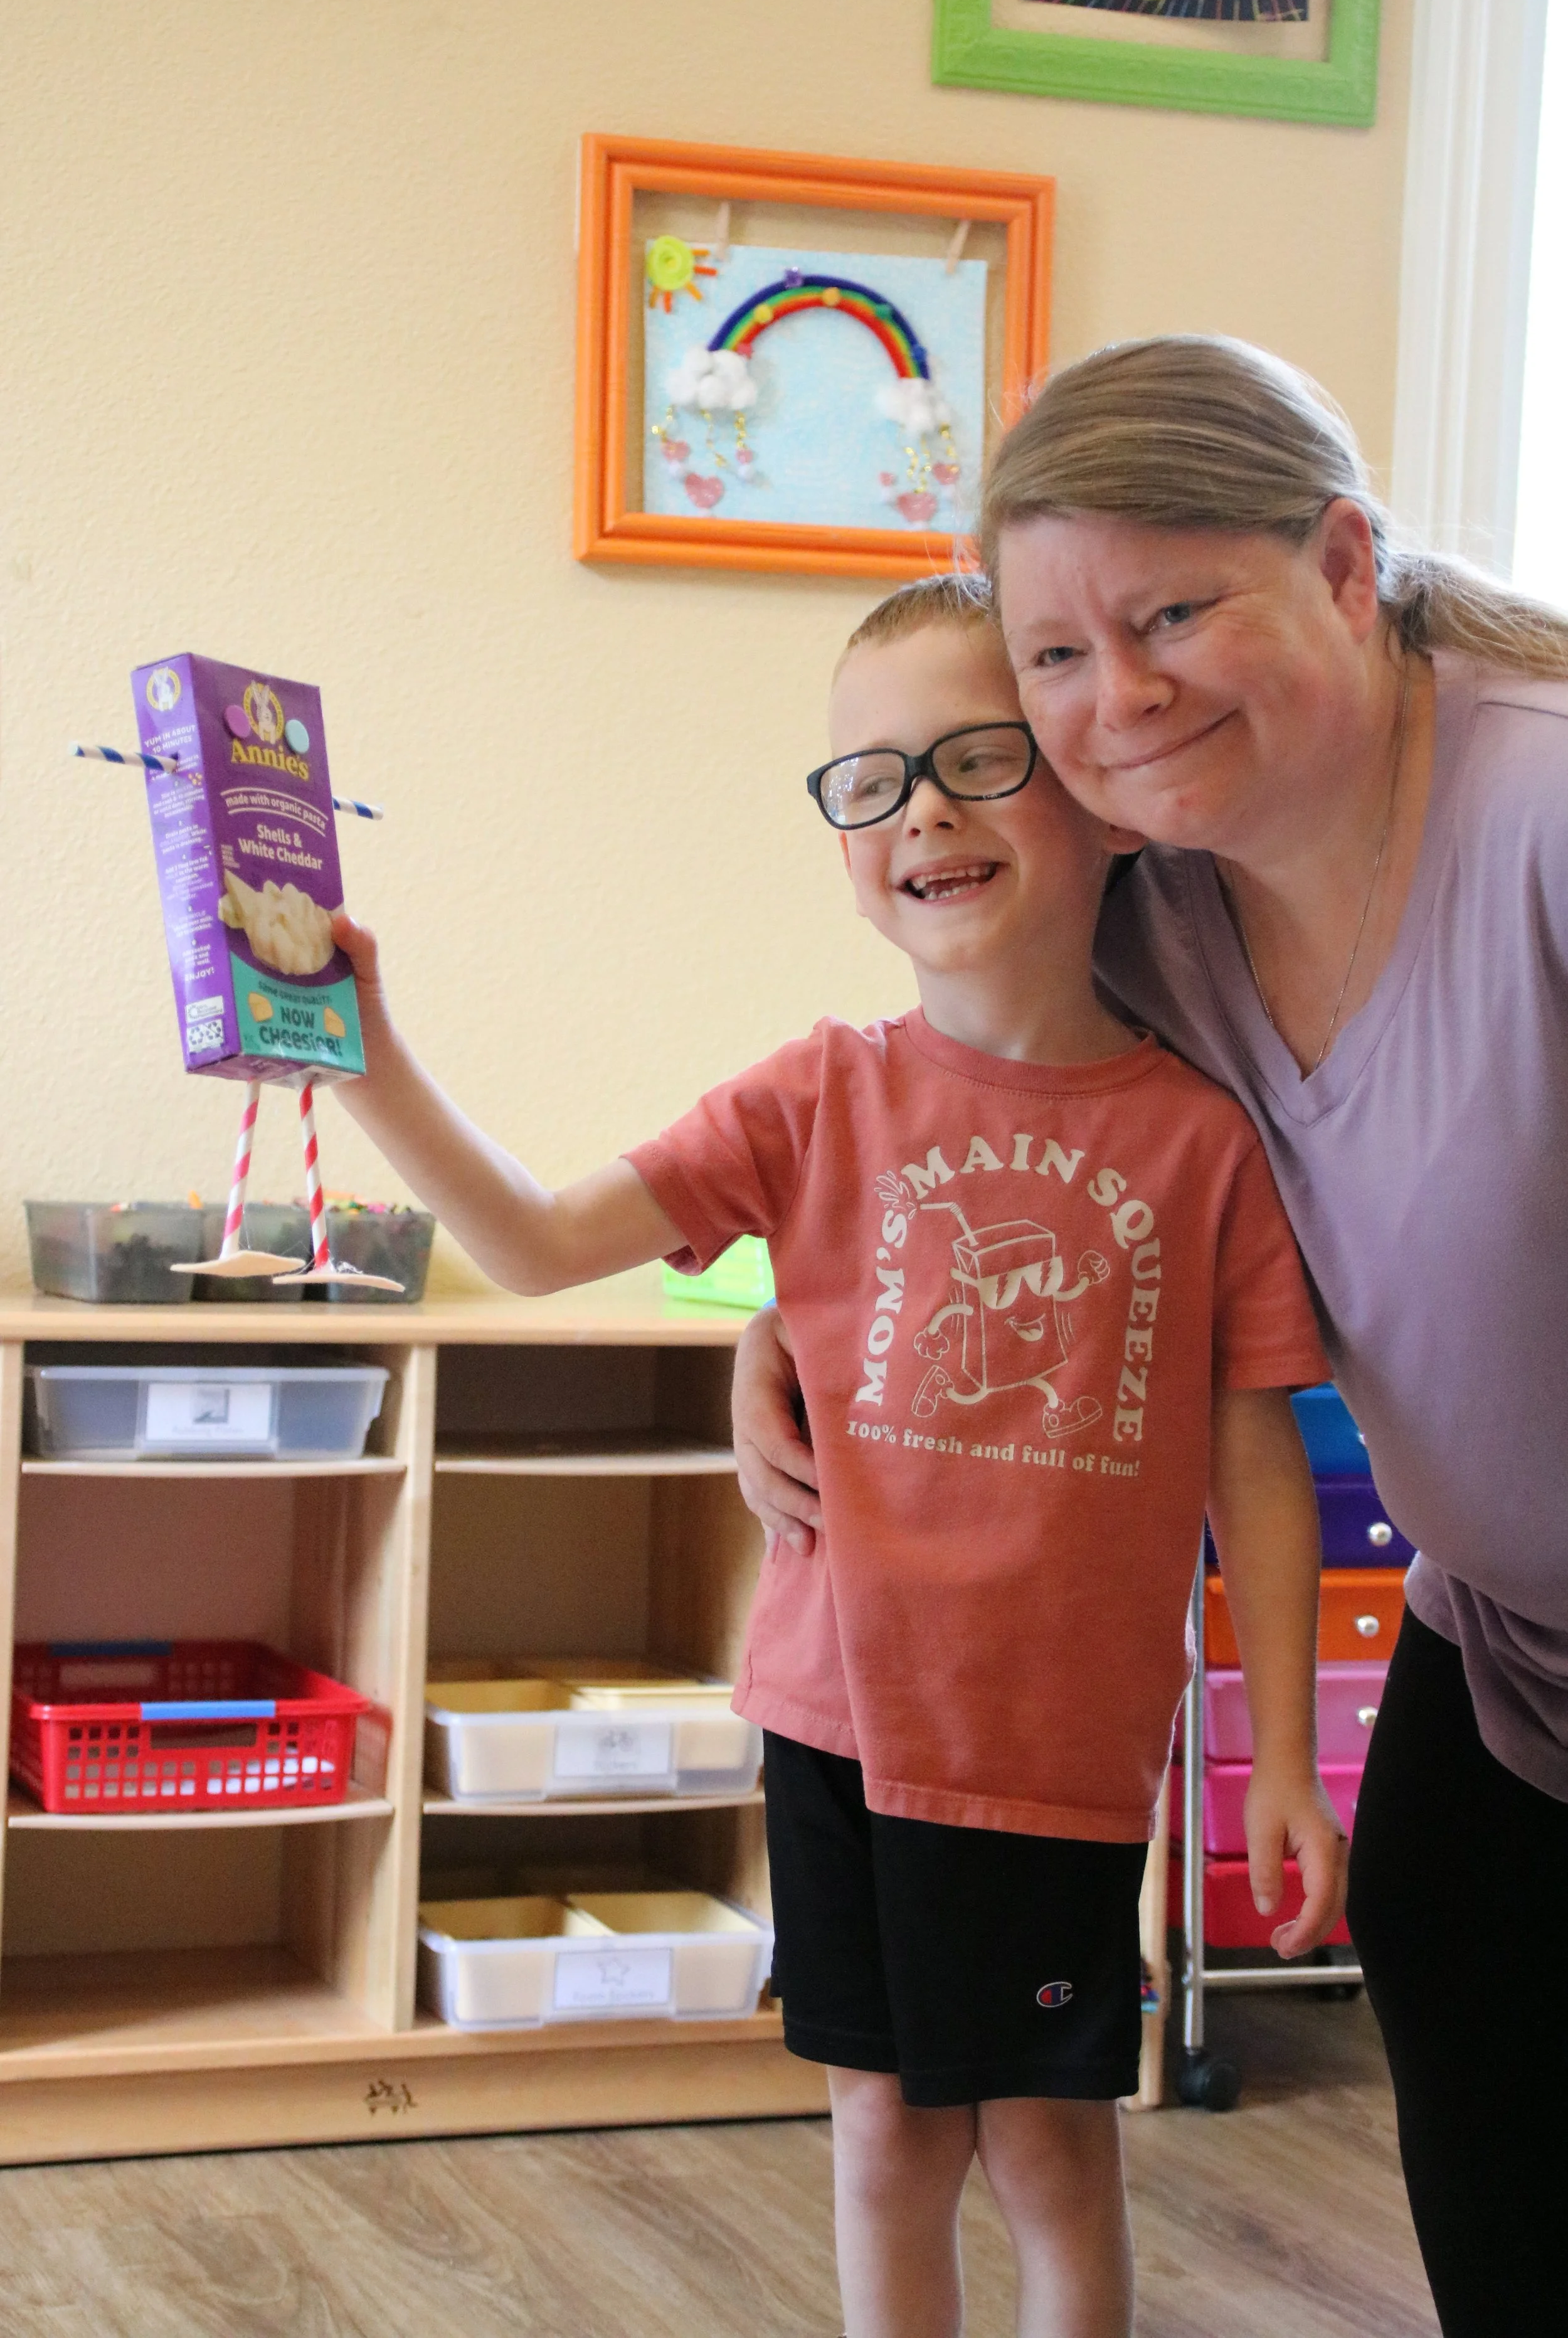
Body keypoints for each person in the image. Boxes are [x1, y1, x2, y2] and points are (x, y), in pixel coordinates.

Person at [327, 574, 1344, 2338]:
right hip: (838, 1721)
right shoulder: (815, 1094)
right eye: (867, 781)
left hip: (1053, 1748)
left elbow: (1255, 1456)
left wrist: (1279, 1754)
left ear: (1096, 802)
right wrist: (365, 1048)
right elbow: (535, 1236)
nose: (921, 809)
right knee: (879, 2125)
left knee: (1044, 2142)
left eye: (973, 757)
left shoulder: (1202, 1139)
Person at [730, 334, 1568, 2338]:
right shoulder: (1145, 906)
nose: (1117, 699)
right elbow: (940, 1121)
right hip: (1512, 1679)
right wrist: (783, 1326)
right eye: (1053, 656)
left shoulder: (1537, 821)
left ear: (1346, 562)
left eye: (1173, 611)